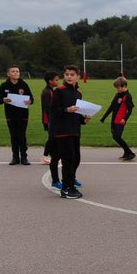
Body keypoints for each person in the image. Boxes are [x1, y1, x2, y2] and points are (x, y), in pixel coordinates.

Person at [50, 65, 89, 199]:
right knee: (68, 160)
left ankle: (70, 183)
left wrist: (84, 119)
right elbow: (54, 110)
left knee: (76, 159)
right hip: (62, 131)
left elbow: (77, 113)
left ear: (78, 77)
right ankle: (66, 188)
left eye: (72, 74)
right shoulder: (59, 91)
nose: (69, 76)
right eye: (67, 74)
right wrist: (67, 110)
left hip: (74, 130)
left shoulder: (78, 93)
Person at [0, 65, 33, 165]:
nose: (16, 73)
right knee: (14, 136)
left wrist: (29, 101)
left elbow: (31, 99)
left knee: (22, 136)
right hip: (10, 115)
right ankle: (15, 157)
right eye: (13, 71)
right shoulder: (4, 85)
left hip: (23, 115)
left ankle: (24, 157)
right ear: (8, 74)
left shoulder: (24, 84)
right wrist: (3, 99)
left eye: (17, 71)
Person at [99, 76, 136, 161]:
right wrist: (104, 117)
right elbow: (111, 107)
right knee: (115, 136)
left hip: (120, 120)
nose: (117, 90)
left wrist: (125, 119)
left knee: (117, 137)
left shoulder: (127, 96)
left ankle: (130, 153)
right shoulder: (117, 95)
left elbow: (130, 110)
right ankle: (126, 153)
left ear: (124, 86)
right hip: (114, 119)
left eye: (118, 88)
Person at [40, 71, 61, 186]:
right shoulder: (47, 92)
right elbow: (48, 108)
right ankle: (47, 155)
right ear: (50, 81)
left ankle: (47, 153)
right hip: (50, 120)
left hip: (52, 120)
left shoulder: (51, 91)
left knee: (52, 138)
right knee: (52, 138)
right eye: (56, 79)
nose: (58, 81)